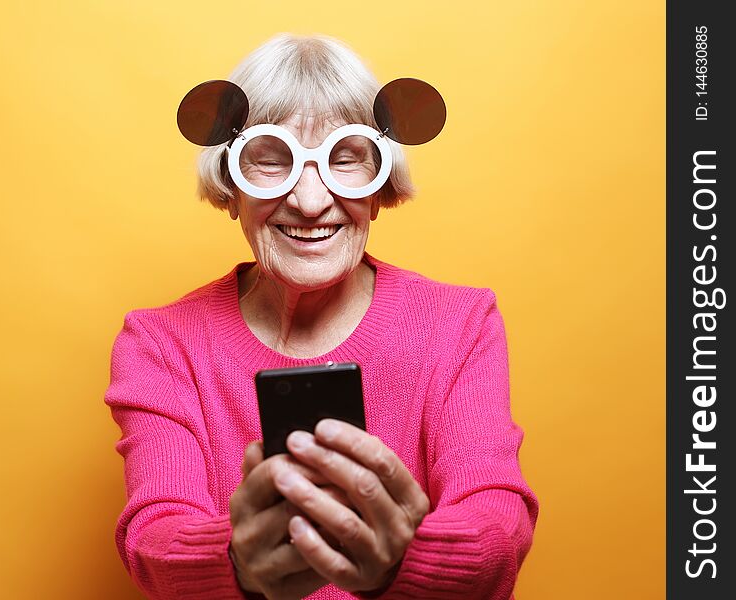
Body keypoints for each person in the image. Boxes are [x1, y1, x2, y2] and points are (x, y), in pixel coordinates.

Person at [104, 33, 538, 600]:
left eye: (346, 158)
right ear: (231, 185)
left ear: (381, 186)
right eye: (271, 160)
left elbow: (497, 520)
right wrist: (235, 562)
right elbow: (156, 536)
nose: (310, 202)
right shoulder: (161, 343)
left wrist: (408, 559)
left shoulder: (459, 322)